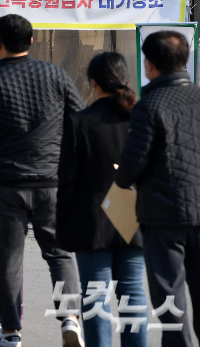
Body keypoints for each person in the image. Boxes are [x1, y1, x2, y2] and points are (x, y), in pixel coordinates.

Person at [0, 14, 86, 347]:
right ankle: (69, 319)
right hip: (52, 180)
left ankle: (10, 333)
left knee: (7, 260)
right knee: (60, 255)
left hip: (7, 182)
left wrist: (3, 147)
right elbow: (78, 121)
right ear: (32, 41)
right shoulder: (56, 74)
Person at [116, 31, 200, 347]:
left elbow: (132, 165)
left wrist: (122, 180)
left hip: (164, 217)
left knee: (171, 302)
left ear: (149, 65)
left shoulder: (149, 106)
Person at [57, 52, 146, 347]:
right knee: (133, 296)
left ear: (94, 83)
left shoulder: (79, 123)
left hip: (91, 223)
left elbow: (67, 181)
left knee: (96, 297)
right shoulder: (141, 119)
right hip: (134, 220)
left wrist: (63, 227)